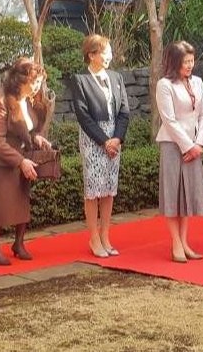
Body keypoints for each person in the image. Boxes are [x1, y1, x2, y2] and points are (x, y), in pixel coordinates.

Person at [0, 58, 53, 265]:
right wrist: (19, 161)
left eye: (39, 82)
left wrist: (36, 138)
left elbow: (28, 130)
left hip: (25, 156)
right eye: (33, 82)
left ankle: (19, 243)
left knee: (23, 201)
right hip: (2, 160)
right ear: (19, 80)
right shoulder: (0, 101)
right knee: (1, 203)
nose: (36, 87)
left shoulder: (29, 100)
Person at [72, 35, 130, 258]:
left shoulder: (116, 77)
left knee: (109, 188)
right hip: (93, 138)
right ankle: (94, 237)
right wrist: (104, 140)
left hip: (114, 136)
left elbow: (124, 111)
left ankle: (106, 235)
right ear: (92, 55)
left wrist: (117, 138)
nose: (108, 57)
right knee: (93, 190)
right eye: (104, 53)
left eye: (109, 52)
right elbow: (83, 115)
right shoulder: (80, 80)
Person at [155, 41, 203, 263]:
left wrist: (199, 145)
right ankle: (175, 242)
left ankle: (185, 241)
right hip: (172, 144)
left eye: (191, 61)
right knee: (172, 193)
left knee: (188, 195)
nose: (190, 65)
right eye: (185, 61)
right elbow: (169, 119)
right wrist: (188, 146)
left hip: (194, 144)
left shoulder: (197, 82)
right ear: (175, 62)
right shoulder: (165, 84)